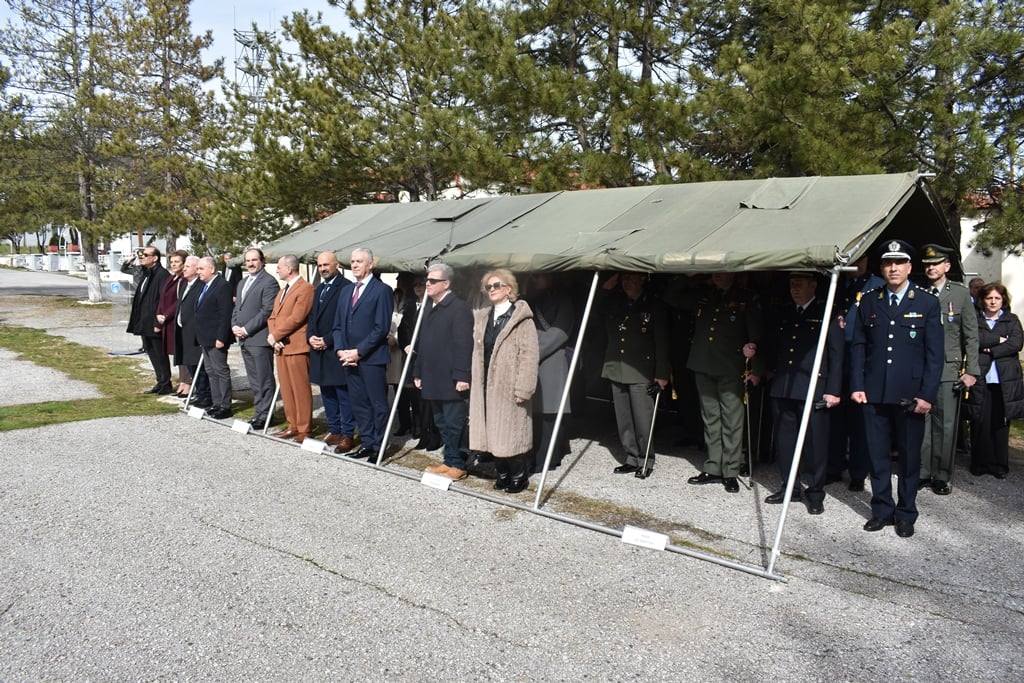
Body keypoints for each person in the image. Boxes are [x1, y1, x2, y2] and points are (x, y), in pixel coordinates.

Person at [850, 240, 942, 538]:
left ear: (909, 267)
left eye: (899, 263)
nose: (893, 268)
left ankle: (906, 513)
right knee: (877, 455)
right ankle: (881, 510)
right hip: (874, 392)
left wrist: (927, 395)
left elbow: (934, 355)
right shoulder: (869, 300)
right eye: (888, 263)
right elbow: (859, 346)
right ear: (881, 268)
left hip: (910, 395)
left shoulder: (927, 302)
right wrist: (857, 385)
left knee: (909, 458)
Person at [761, 272, 844, 515]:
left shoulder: (827, 312)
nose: (795, 289)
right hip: (784, 385)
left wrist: (833, 390)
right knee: (785, 441)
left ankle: (815, 493)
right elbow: (774, 345)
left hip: (813, 386)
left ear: (813, 285)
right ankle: (790, 487)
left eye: (800, 284)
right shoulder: (785, 311)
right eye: (792, 284)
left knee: (815, 444)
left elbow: (837, 355)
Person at [683, 272, 764, 492]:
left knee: (731, 420)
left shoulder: (746, 298)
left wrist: (756, 368)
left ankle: (730, 470)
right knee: (710, 418)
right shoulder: (705, 294)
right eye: (715, 272)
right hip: (703, 363)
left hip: (731, 367)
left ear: (733, 273)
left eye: (722, 271)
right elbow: (672, 297)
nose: (718, 275)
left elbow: (756, 337)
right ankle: (713, 467)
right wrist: (695, 276)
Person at [469, 270, 539, 492]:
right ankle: (502, 473)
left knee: (511, 432)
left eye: (496, 285)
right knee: (491, 431)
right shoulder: (483, 317)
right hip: (485, 383)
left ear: (509, 289)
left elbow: (529, 356)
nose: (492, 289)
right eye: (488, 287)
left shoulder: (522, 319)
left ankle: (519, 475)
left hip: (508, 384)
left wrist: (524, 387)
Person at [918, 244, 979, 495]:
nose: (931, 268)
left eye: (936, 263)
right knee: (921, 421)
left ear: (947, 266)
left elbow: (971, 335)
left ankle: (942, 475)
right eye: (927, 264)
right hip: (921, 367)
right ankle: (922, 471)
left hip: (947, 367)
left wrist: (971, 370)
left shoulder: (960, 294)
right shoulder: (918, 293)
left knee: (945, 424)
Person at [599, 272, 671, 479]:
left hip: (641, 369)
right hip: (617, 366)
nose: (628, 283)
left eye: (632, 279)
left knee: (642, 419)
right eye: (625, 279)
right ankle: (631, 457)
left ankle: (646, 459)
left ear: (642, 280)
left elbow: (662, 341)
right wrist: (606, 287)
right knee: (624, 418)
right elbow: (596, 311)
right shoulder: (615, 302)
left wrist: (662, 373)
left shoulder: (653, 305)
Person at [413, 262, 474, 480]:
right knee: (441, 421)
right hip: (432, 375)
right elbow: (423, 342)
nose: (427, 284)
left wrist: (462, 375)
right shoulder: (429, 307)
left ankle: (458, 463)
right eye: (427, 280)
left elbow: (463, 344)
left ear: (446, 284)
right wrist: (418, 371)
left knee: (454, 422)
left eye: (433, 281)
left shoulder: (459, 308)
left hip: (450, 378)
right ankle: (449, 460)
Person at [829, 255, 884, 491]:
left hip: (862, 356)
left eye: (860, 259)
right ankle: (834, 466)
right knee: (835, 416)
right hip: (838, 355)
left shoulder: (877, 285)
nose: (855, 263)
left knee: (860, 419)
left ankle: (858, 472)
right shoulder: (839, 282)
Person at [333, 247, 393, 460]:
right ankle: (367, 442)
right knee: (359, 403)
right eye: (352, 261)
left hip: (371, 358)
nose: (355, 265)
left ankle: (380, 446)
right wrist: (340, 350)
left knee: (377, 404)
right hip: (348, 359)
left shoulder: (382, 290)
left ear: (370, 264)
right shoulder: (346, 291)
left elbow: (381, 328)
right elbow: (337, 325)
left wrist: (358, 352)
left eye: (359, 261)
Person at [965, 283, 1023, 478]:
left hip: (1004, 380)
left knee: (1000, 423)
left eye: (997, 298)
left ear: (1003, 300)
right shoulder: (975, 319)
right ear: (982, 300)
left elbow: (1016, 343)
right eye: (989, 298)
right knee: (979, 421)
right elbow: (973, 339)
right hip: (980, 377)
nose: (993, 302)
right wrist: (997, 340)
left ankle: (999, 465)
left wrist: (990, 349)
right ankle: (980, 463)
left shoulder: (1011, 319)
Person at [526, 273, 575, 474]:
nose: (535, 280)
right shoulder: (531, 299)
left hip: (553, 358)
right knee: (536, 413)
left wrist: (532, 352)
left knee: (551, 413)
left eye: (540, 276)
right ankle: (535, 454)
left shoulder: (564, 301)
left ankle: (549, 457)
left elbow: (560, 332)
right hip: (532, 358)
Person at [308, 251, 355, 451]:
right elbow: (312, 317)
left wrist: (327, 340)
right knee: (327, 393)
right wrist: (311, 336)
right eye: (320, 266)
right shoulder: (318, 289)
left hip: (336, 348)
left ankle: (347, 433)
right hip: (318, 350)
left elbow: (345, 321)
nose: (323, 269)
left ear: (337, 265)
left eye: (326, 265)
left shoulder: (346, 287)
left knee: (343, 394)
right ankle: (334, 429)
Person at [267, 254, 315, 442]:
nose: (277, 270)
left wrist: (276, 335)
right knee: (286, 389)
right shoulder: (282, 291)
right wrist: (274, 337)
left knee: (300, 388)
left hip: (296, 346)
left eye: (279, 267)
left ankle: (304, 428)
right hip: (281, 346)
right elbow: (273, 316)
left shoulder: (306, 288)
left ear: (289, 268)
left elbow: (297, 317)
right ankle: (292, 425)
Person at [230, 248, 279, 429]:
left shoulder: (269, 282)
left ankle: (266, 415)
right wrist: (234, 325)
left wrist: (246, 329)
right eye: (248, 260)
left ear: (262, 261)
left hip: (259, 338)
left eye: (254, 260)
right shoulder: (242, 282)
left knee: (264, 378)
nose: (250, 263)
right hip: (244, 339)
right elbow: (237, 308)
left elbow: (267, 310)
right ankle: (259, 412)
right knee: (254, 380)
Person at [398, 276, 440, 450]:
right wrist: (405, 345)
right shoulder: (410, 306)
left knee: (430, 399)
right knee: (417, 398)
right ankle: (423, 433)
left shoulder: (433, 305)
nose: (418, 287)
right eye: (415, 285)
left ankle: (434, 435)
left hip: (428, 357)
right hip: (412, 357)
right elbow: (402, 329)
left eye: (421, 284)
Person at [124, 246, 171, 394]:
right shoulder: (146, 273)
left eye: (145, 255)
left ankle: (166, 383)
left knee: (159, 353)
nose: (142, 257)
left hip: (154, 321)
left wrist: (158, 322)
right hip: (144, 320)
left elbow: (163, 300)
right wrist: (130, 260)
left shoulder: (162, 274)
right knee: (150, 351)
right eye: (141, 254)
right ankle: (160, 381)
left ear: (155, 258)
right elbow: (125, 269)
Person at [194, 256, 235, 419]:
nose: (198, 272)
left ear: (211, 269)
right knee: (211, 371)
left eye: (201, 269)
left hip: (216, 338)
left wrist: (221, 337)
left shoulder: (222, 285)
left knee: (220, 370)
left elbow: (225, 314)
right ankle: (217, 403)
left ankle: (225, 405)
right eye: (197, 269)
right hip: (205, 337)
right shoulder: (204, 286)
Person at [174, 255, 206, 404]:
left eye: (187, 266)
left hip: (195, 333)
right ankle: (199, 393)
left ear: (196, 269)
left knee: (198, 365)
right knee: (189, 363)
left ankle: (203, 395)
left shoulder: (201, 285)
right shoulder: (185, 284)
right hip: (183, 331)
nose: (184, 269)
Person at [156, 250, 187, 396]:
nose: (173, 264)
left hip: (176, 320)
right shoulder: (171, 278)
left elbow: (179, 301)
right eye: (172, 262)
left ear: (184, 263)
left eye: (177, 262)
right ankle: (183, 382)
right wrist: (159, 314)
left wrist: (166, 314)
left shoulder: (184, 279)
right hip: (166, 321)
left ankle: (187, 383)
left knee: (182, 352)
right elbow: (163, 298)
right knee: (177, 353)